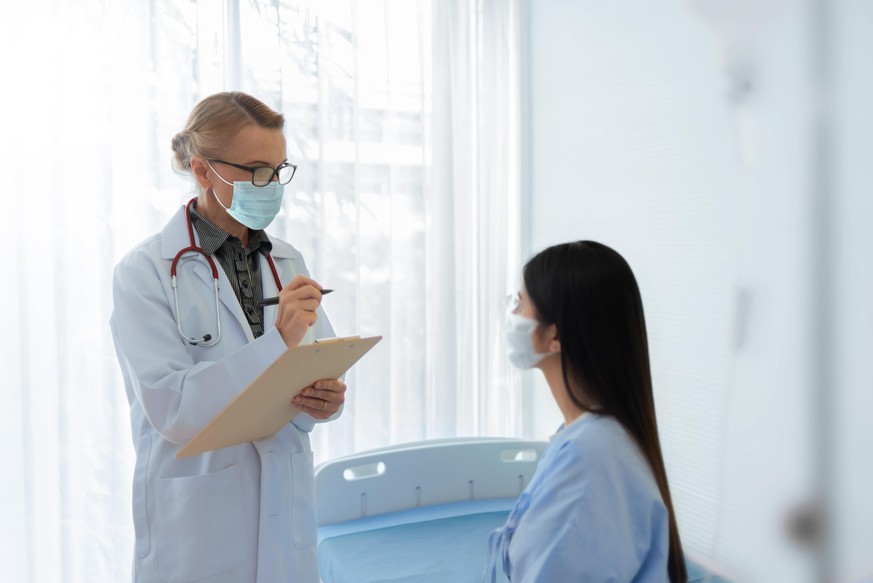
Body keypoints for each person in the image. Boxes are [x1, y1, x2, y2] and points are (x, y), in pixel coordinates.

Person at [110, 92, 345, 583]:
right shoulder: (145, 272)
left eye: (280, 171)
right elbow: (172, 408)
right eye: (257, 170)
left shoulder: (287, 259)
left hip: (283, 502)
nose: (272, 185)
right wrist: (276, 344)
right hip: (199, 524)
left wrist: (326, 400)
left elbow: (317, 365)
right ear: (202, 171)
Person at [486, 241, 687, 582]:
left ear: (555, 336)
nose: (512, 315)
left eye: (519, 304)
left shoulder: (591, 457)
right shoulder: (590, 437)